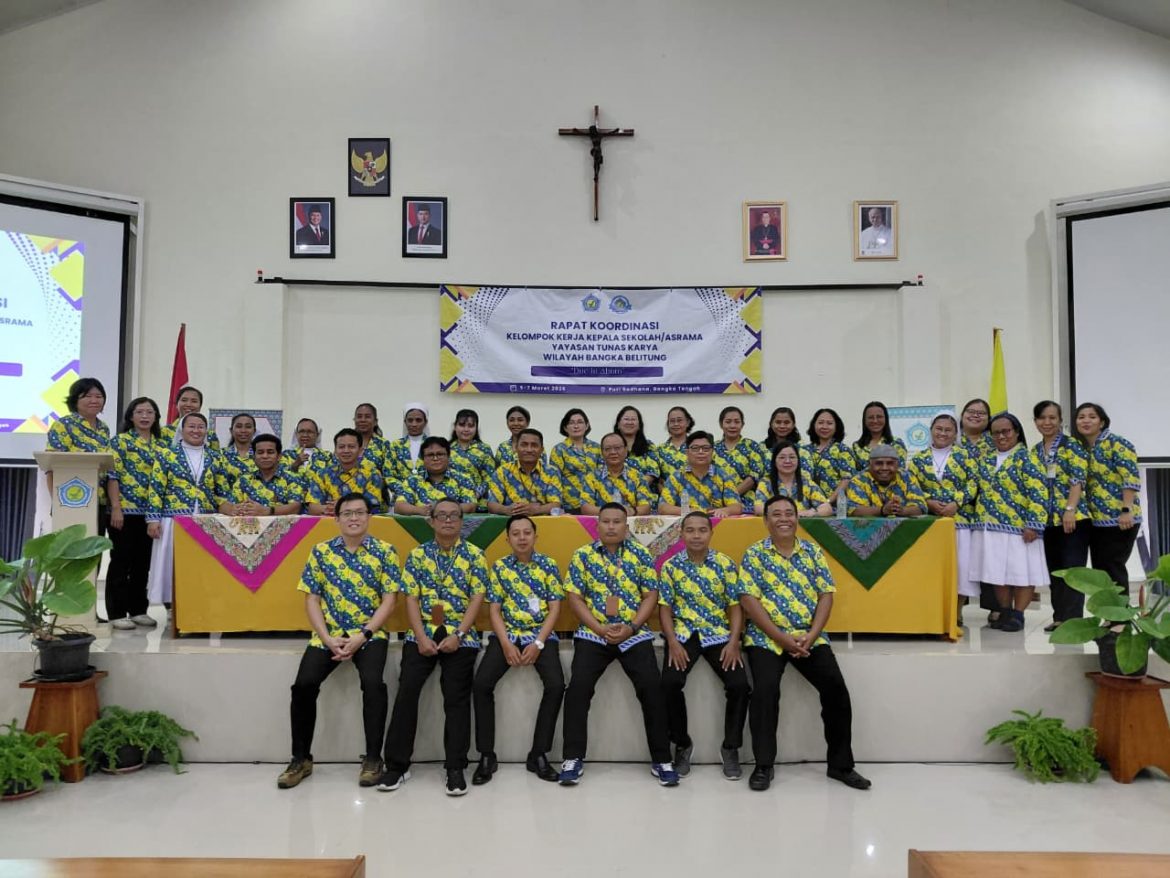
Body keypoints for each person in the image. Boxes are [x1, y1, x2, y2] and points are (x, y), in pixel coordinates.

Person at [735, 495, 871, 792]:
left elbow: (826, 594)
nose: (784, 518)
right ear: (766, 520)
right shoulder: (754, 554)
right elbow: (748, 600)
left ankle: (840, 765)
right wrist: (781, 638)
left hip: (809, 636)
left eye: (789, 513)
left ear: (797, 518)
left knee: (836, 690)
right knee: (765, 692)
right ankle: (763, 765)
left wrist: (812, 634)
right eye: (776, 514)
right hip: (767, 639)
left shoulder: (812, 551)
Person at [277, 494, 400, 790]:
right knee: (303, 685)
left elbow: (390, 600)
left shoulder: (385, 551)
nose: (354, 518)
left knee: (373, 684)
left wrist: (363, 635)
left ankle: (373, 758)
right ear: (337, 519)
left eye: (359, 512)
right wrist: (326, 638)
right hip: (329, 634)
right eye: (347, 513)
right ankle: (300, 758)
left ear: (369, 516)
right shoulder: (321, 551)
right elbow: (312, 599)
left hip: (368, 635)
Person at [558, 503, 679, 787]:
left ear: (626, 526)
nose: (611, 526)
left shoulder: (640, 554)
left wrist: (632, 626)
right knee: (578, 689)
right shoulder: (583, 555)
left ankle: (662, 759)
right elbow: (574, 597)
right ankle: (572, 758)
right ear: (597, 525)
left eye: (617, 522)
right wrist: (598, 627)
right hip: (594, 634)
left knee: (652, 688)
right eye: (606, 522)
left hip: (633, 633)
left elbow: (650, 595)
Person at [379, 499, 488, 797]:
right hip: (422, 633)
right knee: (407, 691)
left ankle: (455, 767)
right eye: (442, 515)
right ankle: (397, 765)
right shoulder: (417, 555)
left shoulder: (475, 555)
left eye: (454, 516)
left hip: (460, 635)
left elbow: (477, 598)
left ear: (462, 521)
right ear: (431, 521)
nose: (448, 521)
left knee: (456, 697)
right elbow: (411, 599)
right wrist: (420, 636)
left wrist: (459, 634)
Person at [470, 515, 565, 785]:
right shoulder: (500, 567)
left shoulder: (548, 565)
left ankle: (539, 754)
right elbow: (494, 611)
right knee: (481, 684)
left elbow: (555, 609)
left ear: (535, 536)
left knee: (556, 685)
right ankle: (486, 755)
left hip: (540, 635)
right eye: (516, 533)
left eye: (527, 532)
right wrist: (506, 644)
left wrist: (538, 643)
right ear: (507, 539)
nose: (522, 538)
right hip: (507, 635)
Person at [658, 511, 750, 780]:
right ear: (681, 534)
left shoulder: (725, 564)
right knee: (669, 683)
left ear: (711, 533)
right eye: (690, 530)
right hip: (683, 635)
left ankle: (730, 747)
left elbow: (735, 607)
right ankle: (682, 744)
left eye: (702, 530)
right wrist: (672, 641)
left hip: (718, 634)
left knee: (740, 686)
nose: (696, 535)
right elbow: (665, 608)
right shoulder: (670, 566)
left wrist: (733, 642)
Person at [969, 413, 1048, 632]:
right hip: (989, 526)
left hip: (1019, 528)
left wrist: (1034, 524)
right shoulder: (986, 460)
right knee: (997, 573)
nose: (1001, 436)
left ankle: (1018, 614)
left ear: (1016, 432)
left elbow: (1039, 493)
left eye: (1006, 431)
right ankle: (1004, 611)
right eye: (996, 433)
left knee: (1022, 573)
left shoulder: (1028, 458)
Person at [146, 412, 224, 606]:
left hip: (205, 520)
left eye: (201, 427)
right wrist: (153, 519)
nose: (196, 431)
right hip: (174, 519)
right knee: (173, 564)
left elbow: (221, 490)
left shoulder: (215, 457)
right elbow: (156, 487)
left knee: (201, 565)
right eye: (191, 426)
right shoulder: (167, 454)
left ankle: (198, 606)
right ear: (182, 429)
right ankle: (172, 608)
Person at [907, 414, 979, 613]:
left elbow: (974, 483)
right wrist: (928, 502)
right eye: (939, 429)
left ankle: (957, 612)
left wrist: (957, 502)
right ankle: (933, 612)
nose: (943, 433)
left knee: (960, 566)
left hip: (959, 519)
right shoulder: (918, 459)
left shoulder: (966, 456)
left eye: (948, 430)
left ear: (956, 433)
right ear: (931, 430)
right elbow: (911, 485)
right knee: (932, 567)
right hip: (929, 521)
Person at [105, 396, 164, 630]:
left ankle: (138, 610)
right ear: (130, 416)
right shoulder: (120, 442)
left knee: (143, 563)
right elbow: (113, 477)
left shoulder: (162, 446)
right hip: (124, 511)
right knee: (121, 561)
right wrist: (116, 508)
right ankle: (117, 613)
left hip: (151, 514)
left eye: (150, 412)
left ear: (156, 417)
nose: (145, 416)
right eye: (140, 412)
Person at [1033, 401, 1090, 631]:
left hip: (1072, 518)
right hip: (1048, 521)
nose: (1047, 422)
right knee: (1055, 570)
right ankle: (1060, 617)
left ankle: (1073, 620)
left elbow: (1078, 479)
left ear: (1060, 421)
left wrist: (1070, 510)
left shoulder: (1072, 445)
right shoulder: (1035, 450)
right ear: (1035, 422)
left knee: (1072, 569)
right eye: (1042, 418)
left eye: (1052, 418)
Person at [1074, 402, 1142, 595]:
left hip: (1120, 519)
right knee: (1101, 571)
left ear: (1102, 422)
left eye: (1092, 417)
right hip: (1097, 520)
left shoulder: (1117, 443)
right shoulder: (1082, 448)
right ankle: (1107, 611)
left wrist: (1126, 509)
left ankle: (1120, 612)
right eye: (1081, 417)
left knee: (1113, 566)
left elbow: (1130, 478)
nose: (1086, 421)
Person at [45, 377, 111, 507]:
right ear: (75, 400)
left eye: (99, 396)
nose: (94, 400)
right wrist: (57, 502)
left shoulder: (104, 428)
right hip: (71, 498)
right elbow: (52, 466)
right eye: (87, 396)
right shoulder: (64, 424)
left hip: (100, 498)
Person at [658, 431, 743, 517]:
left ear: (712, 452)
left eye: (706, 448)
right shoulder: (677, 477)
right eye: (695, 448)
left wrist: (725, 510)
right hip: (686, 522)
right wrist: (688, 511)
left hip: (715, 523)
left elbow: (737, 506)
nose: (701, 452)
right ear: (687, 452)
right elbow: (663, 507)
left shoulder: (723, 476)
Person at [305, 428, 385, 515]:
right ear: (335, 451)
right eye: (341, 447)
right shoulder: (322, 474)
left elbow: (372, 508)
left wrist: (341, 507)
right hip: (329, 521)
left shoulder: (372, 474)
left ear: (360, 451)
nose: (346, 450)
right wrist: (332, 509)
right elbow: (312, 508)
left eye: (351, 447)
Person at [221, 433, 304, 516]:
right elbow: (225, 505)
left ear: (279, 456)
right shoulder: (244, 480)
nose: (265, 456)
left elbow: (296, 507)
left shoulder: (292, 478)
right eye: (260, 452)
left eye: (270, 452)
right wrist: (232, 509)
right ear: (254, 456)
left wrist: (268, 511)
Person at [486, 428, 564, 515]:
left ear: (541, 450)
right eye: (524, 445)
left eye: (534, 445)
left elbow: (556, 504)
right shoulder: (503, 471)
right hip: (511, 521)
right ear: (516, 448)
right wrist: (506, 510)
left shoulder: (551, 472)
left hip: (542, 521)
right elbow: (492, 504)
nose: (529, 450)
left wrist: (536, 510)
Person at [393, 436, 477, 515]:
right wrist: (420, 510)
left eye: (440, 454)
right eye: (430, 455)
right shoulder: (413, 480)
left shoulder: (463, 479)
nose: (435, 458)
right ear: (423, 459)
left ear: (448, 456)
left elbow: (471, 506)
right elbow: (399, 506)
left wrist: (440, 510)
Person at [579, 432, 654, 515]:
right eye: (608, 449)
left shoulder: (638, 477)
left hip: (629, 521)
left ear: (626, 450)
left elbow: (646, 507)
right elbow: (585, 508)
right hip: (602, 521)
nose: (613, 452)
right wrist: (611, 513)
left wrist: (630, 511)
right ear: (602, 453)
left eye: (617, 448)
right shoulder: (591, 477)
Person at [845, 444, 925, 517]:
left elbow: (920, 507)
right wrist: (882, 510)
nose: (884, 468)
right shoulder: (859, 480)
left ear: (897, 465)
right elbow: (853, 509)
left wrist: (903, 511)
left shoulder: (907, 477)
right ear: (870, 465)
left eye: (890, 463)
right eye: (879, 463)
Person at [714, 406, 768, 514]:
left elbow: (754, 477)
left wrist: (730, 497)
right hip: (718, 505)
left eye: (737, 422)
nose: (732, 425)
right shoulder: (713, 448)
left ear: (742, 424)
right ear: (721, 424)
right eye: (728, 422)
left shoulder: (751, 446)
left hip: (747, 504)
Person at [754, 441, 831, 516]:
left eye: (792, 457)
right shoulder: (766, 483)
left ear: (798, 461)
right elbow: (759, 508)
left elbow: (827, 509)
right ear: (774, 461)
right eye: (782, 457)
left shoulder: (807, 484)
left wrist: (810, 513)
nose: (787, 461)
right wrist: (789, 514)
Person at [549, 408, 602, 513]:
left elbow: (602, 474)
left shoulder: (596, 448)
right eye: (571, 423)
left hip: (594, 503)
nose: (576, 426)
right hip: (569, 504)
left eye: (580, 422)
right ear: (565, 427)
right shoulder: (559, 449)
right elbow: (554, 479)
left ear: (587, 425)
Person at [805, 408, 856, 502]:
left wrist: (828, 502)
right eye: (820, 422)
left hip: (835, 505)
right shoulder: (804, 451)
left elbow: (847, 479)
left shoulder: (843, 450)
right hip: (807, 504)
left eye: (829, 423)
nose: (824, 426)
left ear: (837, 426)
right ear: (814, 425)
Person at [448, 409, 497, 505]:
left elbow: (491, 477)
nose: (466, 429)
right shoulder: (446, 448)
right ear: (455, 427)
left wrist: (477, 493)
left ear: (476, 428)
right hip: (450, 501)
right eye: (462, 425)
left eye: (470, 426)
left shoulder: (484, 449)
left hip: (478, 502)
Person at [613, 405, 659, 490]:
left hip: (644, 492)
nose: (630, 422)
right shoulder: (610, 446)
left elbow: (652, 473)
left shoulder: (649, 446)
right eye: (626, 419)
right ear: (618, 424)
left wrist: (632, 489)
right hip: (615, 492)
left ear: (639, 425)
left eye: (633, 419)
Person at [353, 403, 394, 498]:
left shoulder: (384, 445)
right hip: (347, 496)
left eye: (367, 417)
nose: (363, 420)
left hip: (376, 497)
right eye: (359, 416)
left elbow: (389, 474)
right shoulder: (346, 443)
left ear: (375, 421)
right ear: (354, 420)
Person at [385, 403, 430, 491]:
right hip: (401, 495)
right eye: (410, 420)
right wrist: (404, 490)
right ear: (405, 422)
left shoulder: (432, 445)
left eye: (418, 420)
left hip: (429, 494)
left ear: (425, 422)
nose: (414, 424)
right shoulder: (395, 445)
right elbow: (388, 473)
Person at [852, 400, 906, 469]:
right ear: (864, 420)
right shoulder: (856, 447)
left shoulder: (897, 444)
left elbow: (900, 471)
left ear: (886, 419)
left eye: (879, 417)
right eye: (871, 417)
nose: (875, 421)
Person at [216, 412, 257, 497]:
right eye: (239, 426)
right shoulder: (220, 455)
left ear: (254, 431)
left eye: (248, 427)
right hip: (227, 503)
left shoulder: (262, 456)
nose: (243, 430)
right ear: (231, 430)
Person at [651, 406, 694, 482]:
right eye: (672, 421)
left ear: (687, 422)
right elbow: (656, 477)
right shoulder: (659, 450)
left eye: (679, 420)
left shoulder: (695, 448)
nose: (676, 424)